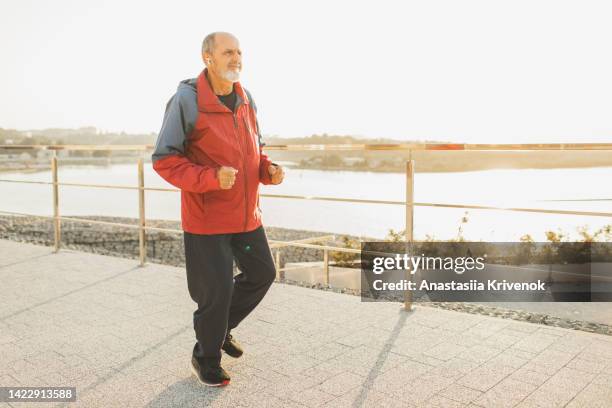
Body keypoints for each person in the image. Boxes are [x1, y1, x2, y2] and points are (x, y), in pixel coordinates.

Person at [151, 31, 285, 386]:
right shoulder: (187, 99)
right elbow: (164, 160)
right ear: (207, 57)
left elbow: (254, 151)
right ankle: (205, 356)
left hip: (246, 217)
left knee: (262, 274)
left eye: (239, 52)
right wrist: (210, 178)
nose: (236, 58)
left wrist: (267, 171)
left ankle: (221, 330)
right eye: (228, 52)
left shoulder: (246, 98)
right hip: (207, 220)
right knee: (216, 292)